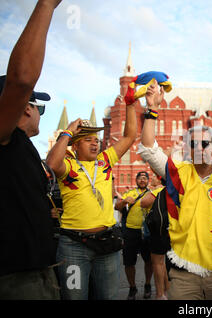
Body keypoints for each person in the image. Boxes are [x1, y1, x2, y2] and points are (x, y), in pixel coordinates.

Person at [137, 83, 212, 300]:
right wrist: (151, 110)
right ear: (187, 149)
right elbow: (150, 150)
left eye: (205, 143)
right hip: (184, 272)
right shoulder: (179, 173)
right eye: (193, 144)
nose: (199, 148)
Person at [46, 94, 137, 300]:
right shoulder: (68, 166)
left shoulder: (105, 161)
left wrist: (130, 104)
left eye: (96, 140)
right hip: (73, 248)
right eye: (87, 140)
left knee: (109, 297)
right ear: (75, 146)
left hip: (107, 246)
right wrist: (67, 132)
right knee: (74, 297)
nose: (95, 143)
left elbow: (129, 136)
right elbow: (51, 164)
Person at [0, 0, 62, 300]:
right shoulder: (4, 136)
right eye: (40, 107)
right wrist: (48, 4)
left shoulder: (21, 145)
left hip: (38, 270)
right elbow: (22, 79)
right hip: (14, 279)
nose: (40, 113)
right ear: (24, 108)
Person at [114, 171, 154, 300]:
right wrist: (125, 201)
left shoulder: (152, 194)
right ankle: (132, 288)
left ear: (148, 180)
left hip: (148, 233)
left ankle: (147, 284)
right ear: (136, 180)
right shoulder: (129, 193)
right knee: (129, 262)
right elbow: (117, 207)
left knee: (149, 261)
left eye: (145, 178)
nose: (142, 180)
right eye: (140, 178)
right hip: (131, 232)